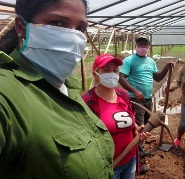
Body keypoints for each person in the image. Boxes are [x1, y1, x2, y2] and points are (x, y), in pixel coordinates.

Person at [0, 0, 115, 178]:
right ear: (22, 26)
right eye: (57, 23)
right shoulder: (7, 93)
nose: (73, 37)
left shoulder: (68, 87)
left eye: (81, 28)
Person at [81, 54, 150, 178]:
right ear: (95, 73)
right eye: (106, 70)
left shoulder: (123, 94)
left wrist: (136, 128)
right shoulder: (87, 100)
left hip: (130, 158)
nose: (111, 74)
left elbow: (130, 118)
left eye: (115, 70)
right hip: (109, 165)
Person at [119, 36, 173, 173]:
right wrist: (135, 91)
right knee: (140, 128)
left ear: (149, 47)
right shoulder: (129, 60)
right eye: (141, 44)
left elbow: (158, 77)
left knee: (147, 126)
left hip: (148, 99)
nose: (143, 47)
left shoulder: (150, 61)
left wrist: (166, 68)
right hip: (136, 101)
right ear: (136, 46)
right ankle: (138, 161)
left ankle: (141, 151)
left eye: (146, 45)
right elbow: (121, 78)